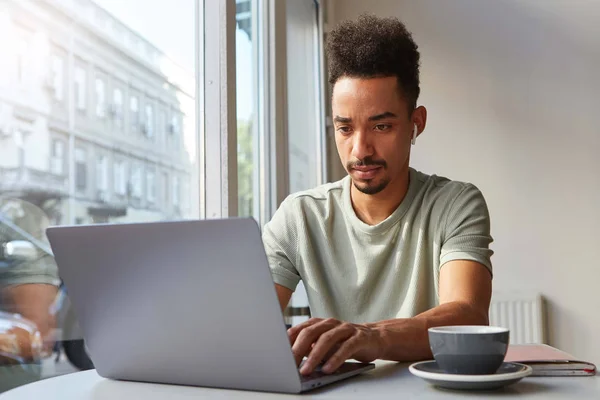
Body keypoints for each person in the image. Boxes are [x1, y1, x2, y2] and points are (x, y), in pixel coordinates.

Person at [262, 14, 494, 376]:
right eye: (345, 128)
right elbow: (248, 324)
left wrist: (371, 336)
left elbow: (467, 314)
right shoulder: (299, 217)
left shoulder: (455, 204)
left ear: (416, 123)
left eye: (381, 126)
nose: (360, 150)